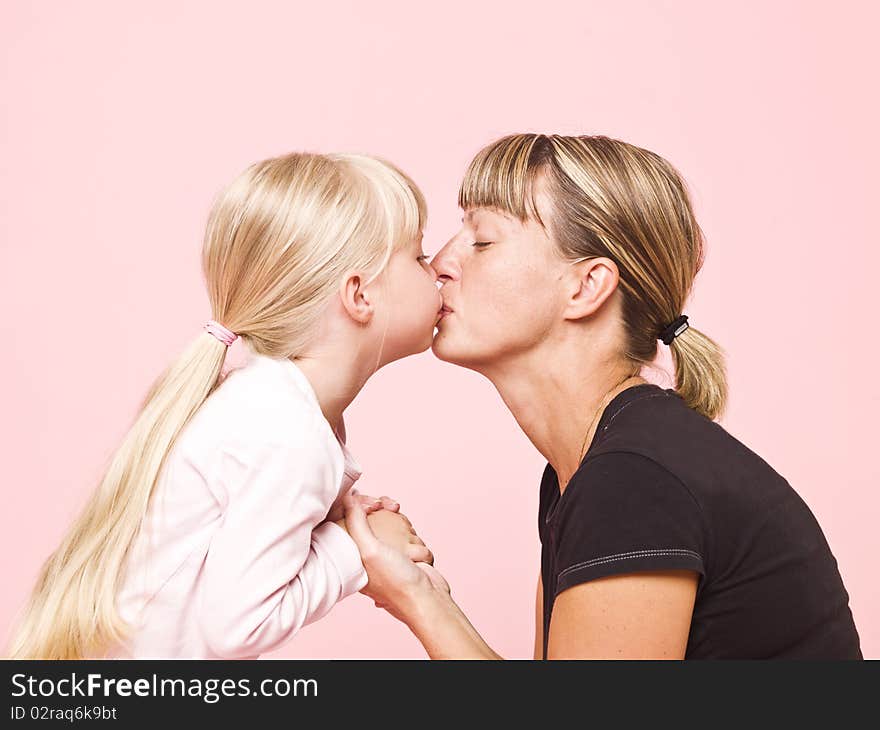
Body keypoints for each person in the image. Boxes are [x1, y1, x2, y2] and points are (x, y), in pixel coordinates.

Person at [343, 133, 863, 659]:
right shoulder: (587, 473)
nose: (440, 263)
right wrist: (417, 589)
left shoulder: (634, 480)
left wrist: (415, 598)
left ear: (587, 286)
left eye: (482, 241)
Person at [7, 151, 438, 659]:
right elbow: (238, 629)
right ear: (359, 294)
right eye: (419, 255)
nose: (439, 269)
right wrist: (357, 550)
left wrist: (342, 519)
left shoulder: (270, 404)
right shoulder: (287, 430)